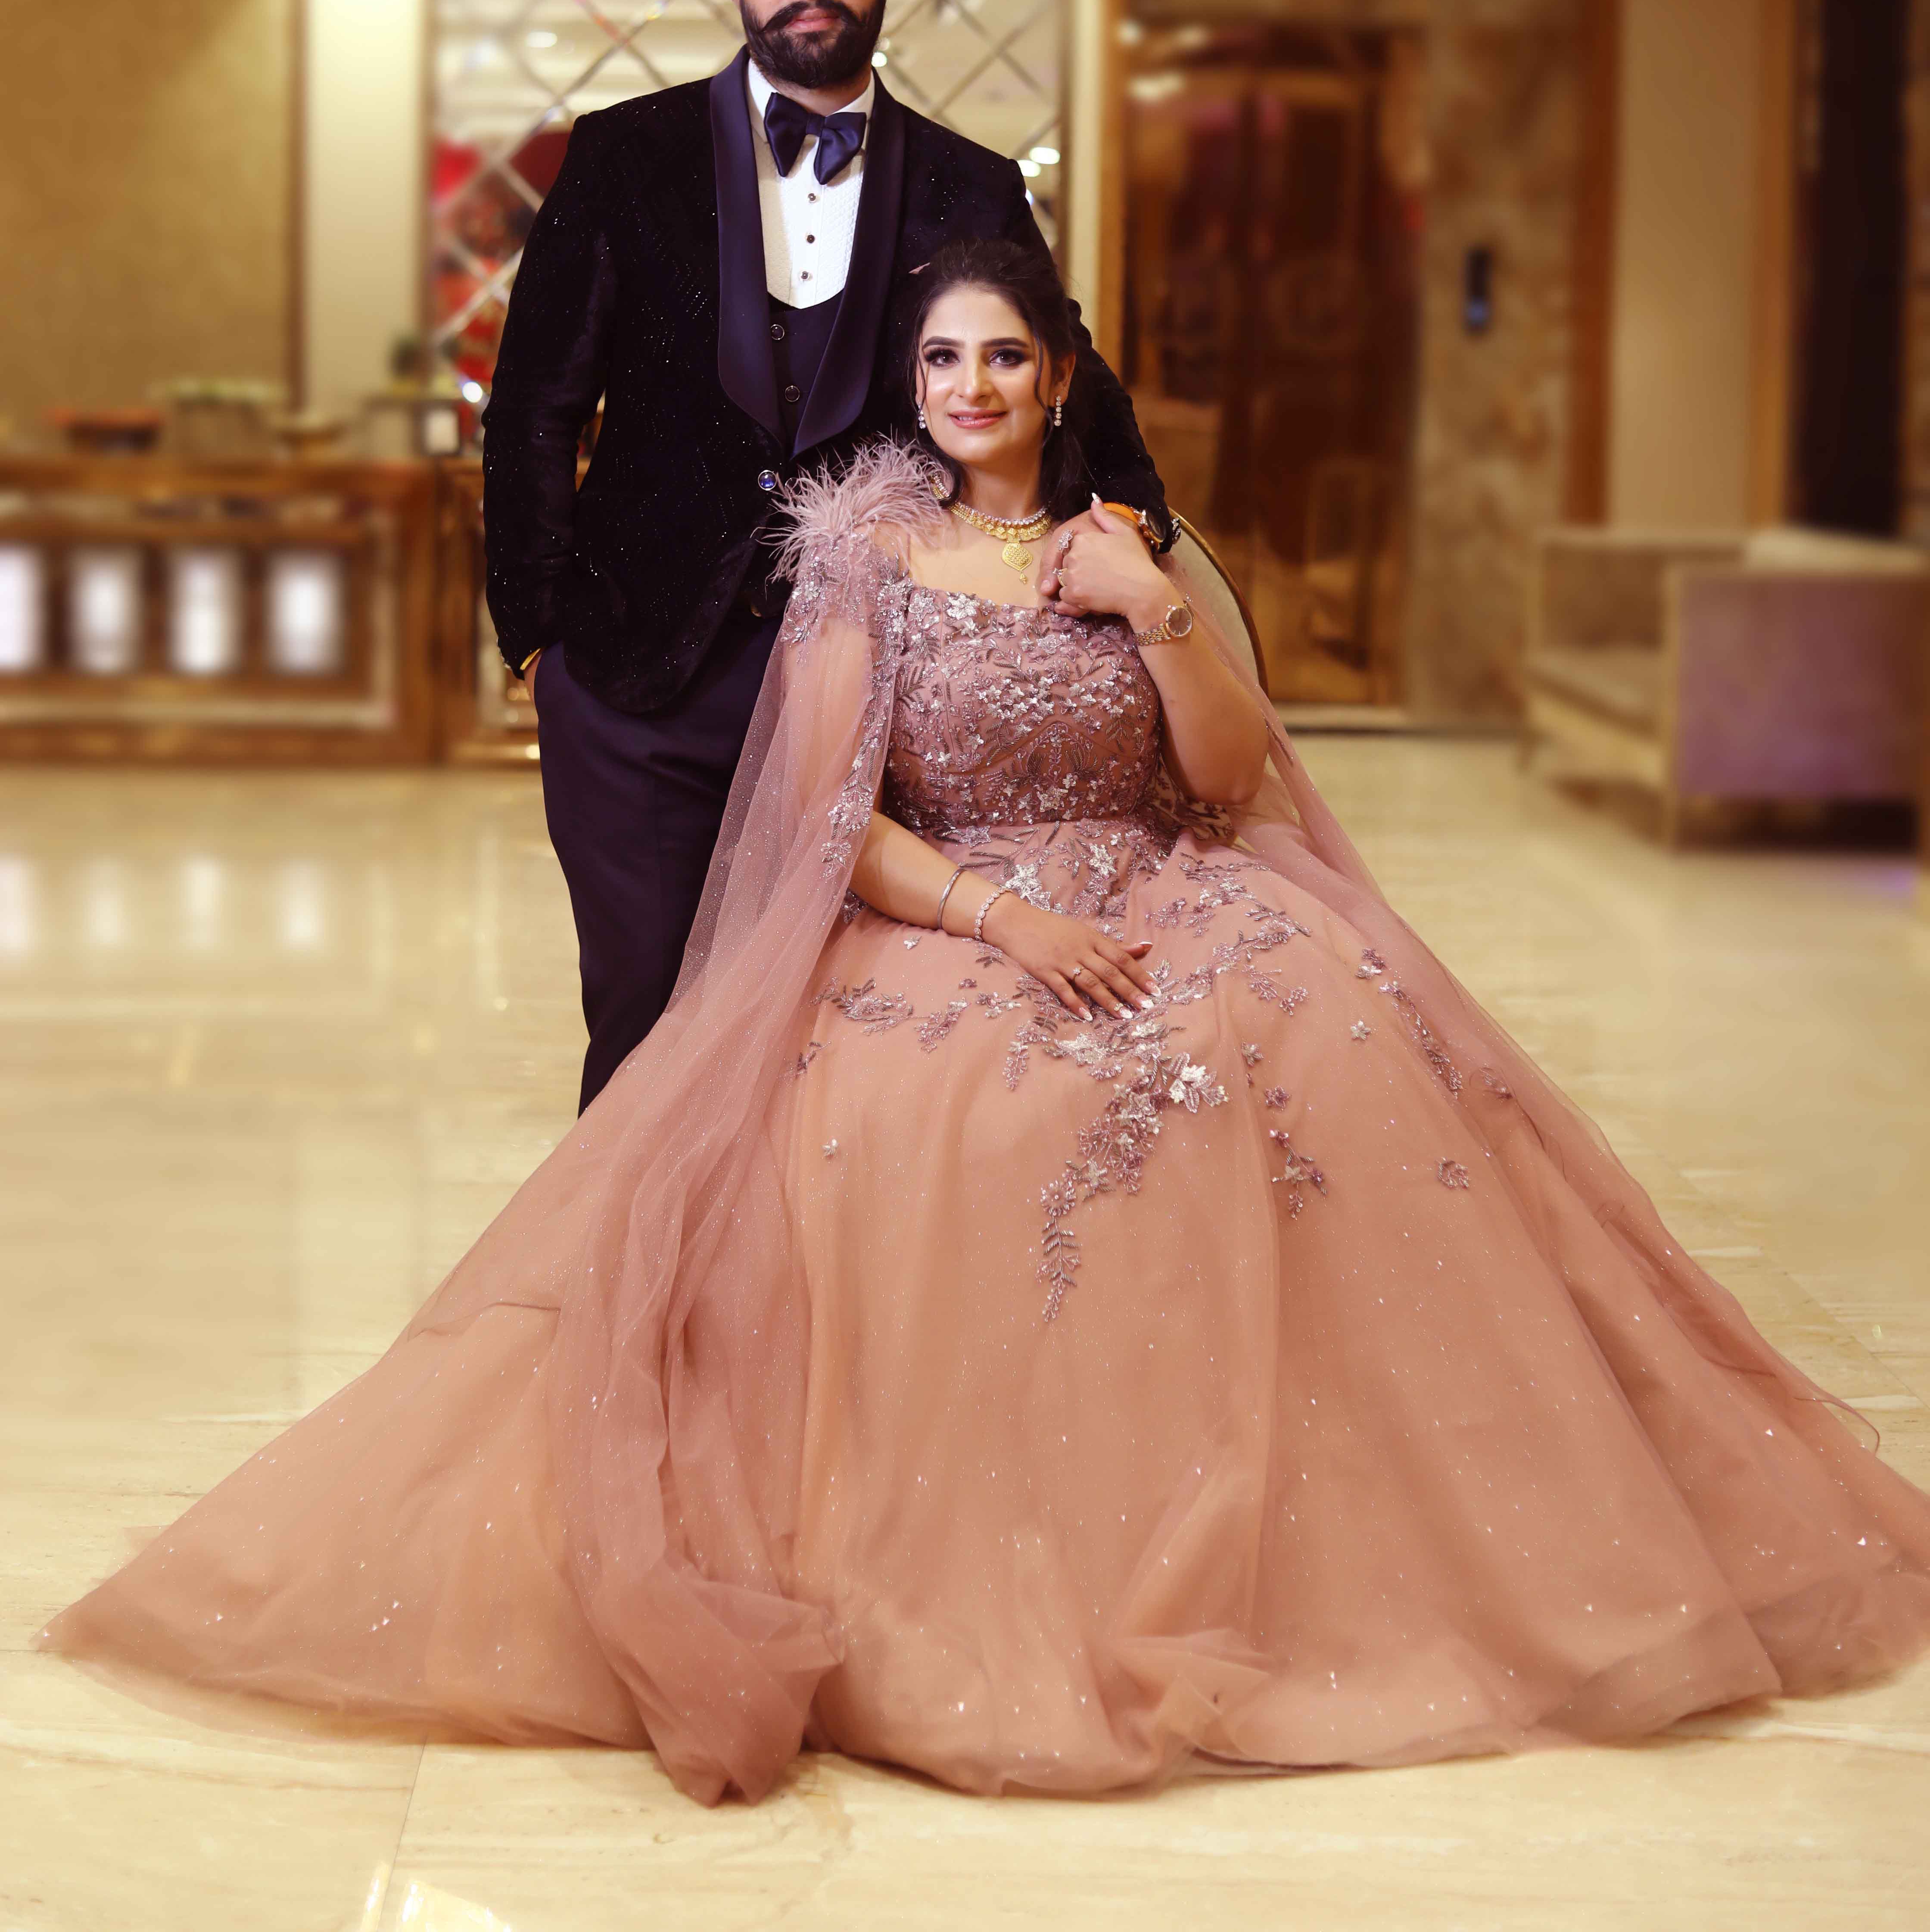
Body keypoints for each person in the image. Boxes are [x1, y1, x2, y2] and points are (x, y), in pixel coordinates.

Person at [41, 235, 1930, 1805]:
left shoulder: (1132, 549)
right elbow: (825, 820)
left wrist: (1151, 606)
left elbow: (1227, 781)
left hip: (1168, 889)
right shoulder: (864, 560)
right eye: (941, 357)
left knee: (1327, 1046)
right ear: (917, 384)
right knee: (961, 1116)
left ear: (1055, 378)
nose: (969, 384)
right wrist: (998, 914)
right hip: (947, 911)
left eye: (1004, 356)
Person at [481, 0, 1172, 1113]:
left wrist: (1133, 524)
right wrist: (539, 640)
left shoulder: (971, 184)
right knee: (645, 1025)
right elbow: (532, 407)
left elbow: (1066, 376)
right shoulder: (623, 155)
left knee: (830, 1045)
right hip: (637, 684)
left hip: (869, 690)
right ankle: (641, 1260)